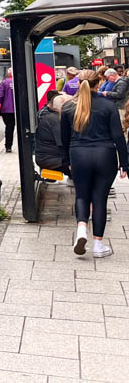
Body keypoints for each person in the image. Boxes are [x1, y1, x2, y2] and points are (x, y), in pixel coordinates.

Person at [60, 70, 129, 257]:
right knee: (100, 199)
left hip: (79, 155)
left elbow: (63, 140)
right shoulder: (108, 106)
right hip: (105, 155)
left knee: (82, 196)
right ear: (98, 83)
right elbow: (118, 136)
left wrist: (67, 162)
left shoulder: (68, 108)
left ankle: (81, 228)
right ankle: (98, 246)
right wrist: (124, 163)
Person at [35, 90, 71, 176]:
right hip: (52, 159)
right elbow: (63, 142)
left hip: (49, 157)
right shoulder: (55, 119)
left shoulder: (48, 114)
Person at [0, 67, 16, 152]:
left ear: (8, 74)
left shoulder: (4, 83)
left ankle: (8, 146)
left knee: (9, 127)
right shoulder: (19, 82)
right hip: (17, 110)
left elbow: (0, 96)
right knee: (14, 127)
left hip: (7, 110)